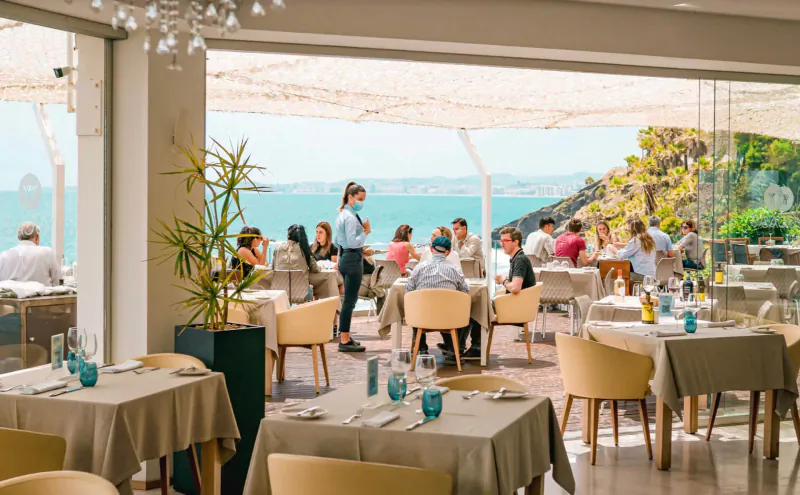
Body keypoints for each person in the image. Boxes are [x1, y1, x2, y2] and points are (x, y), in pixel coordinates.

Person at [406, 236, 472, 365]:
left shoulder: (419, 268)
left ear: (431, 249)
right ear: (448, 252)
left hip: (422, 318)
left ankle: (421, 349)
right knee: (466, 312)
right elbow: (465, 291)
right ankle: (453, 351)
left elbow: (409, 289)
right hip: (448, 319)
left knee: (416, 305)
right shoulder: (455, 270)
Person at [334, 181, 370, 352]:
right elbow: (351, 241)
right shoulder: (349, 217)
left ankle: (345, 336)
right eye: (360, 199)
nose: (361, 203)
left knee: (349, 299)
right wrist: (365, 232)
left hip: (345, 257)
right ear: (350, 197)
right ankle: (344, 340)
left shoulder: (342, 214)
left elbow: (337, 241)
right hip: (352, 258)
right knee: (350, 300)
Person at [0, 222, 60, 286]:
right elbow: (58, 281)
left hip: (12, 295)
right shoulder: (47, 253)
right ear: (37, 237)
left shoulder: (4, 255)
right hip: (43, 295)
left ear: (19, 238)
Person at [272, 225, 320, 291]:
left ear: (287, 235)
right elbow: (315, 268)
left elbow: (273, 269)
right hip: (301, 293)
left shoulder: (277, 249)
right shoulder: (304, 249)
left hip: (280, 292)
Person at [495, 227, 536, 294]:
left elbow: (515, 288)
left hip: (518, 303)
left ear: (516, 242)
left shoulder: (520, 260)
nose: (502, 245)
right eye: (501, 241)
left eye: (505, 241)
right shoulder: (517, 258)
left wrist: (503, 281)